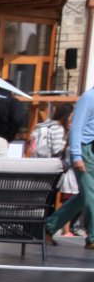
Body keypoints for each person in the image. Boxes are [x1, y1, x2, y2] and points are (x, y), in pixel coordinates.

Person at [44, 86, 94, 248]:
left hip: (90, 150)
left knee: (85, 196)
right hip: (85, 150)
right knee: (91, 196)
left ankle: (49, 227)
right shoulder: (89, 97)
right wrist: (77, 155)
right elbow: (76, 128)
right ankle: (93, 238)